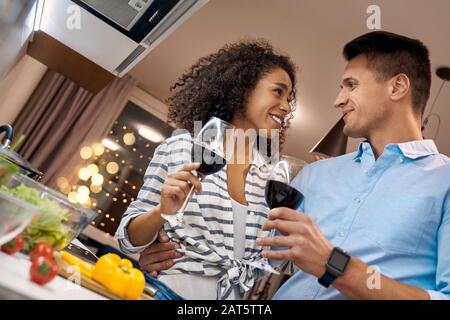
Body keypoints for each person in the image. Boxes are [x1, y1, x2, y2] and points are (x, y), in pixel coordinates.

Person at [141, 31, 450, 300]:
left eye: (351, 85)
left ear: (397, 87)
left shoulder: (444, 181)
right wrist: (169, 245)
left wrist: (334, 264)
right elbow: (257, 251)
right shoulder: (316, 175)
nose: (338, 100)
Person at [115, 40, 297, 300]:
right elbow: (127, 238)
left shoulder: (271, 177)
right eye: (278, 92)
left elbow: (270, 260)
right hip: (167, 293)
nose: (286, 106)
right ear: (242, 88)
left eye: (288, 98)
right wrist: (161, 212)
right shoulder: (184, 147)